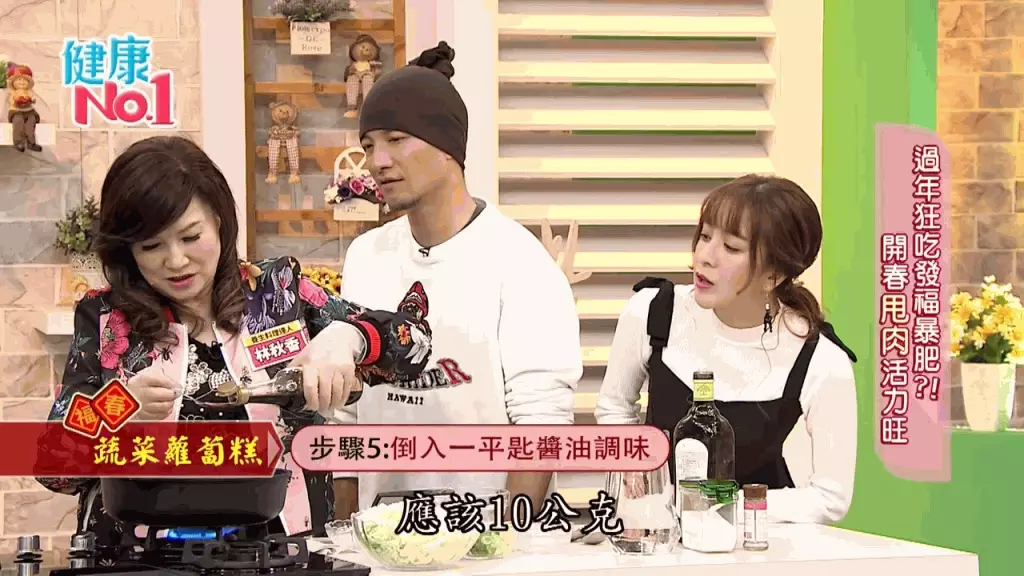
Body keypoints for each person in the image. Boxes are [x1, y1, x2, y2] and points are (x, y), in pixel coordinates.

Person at [36, 136, 431, 561]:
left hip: (281, 554)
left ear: (219, 221)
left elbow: (415, 343)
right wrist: (117, 409)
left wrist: (348, 338)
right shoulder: (105, 319)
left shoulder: (278, 293)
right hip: (140, 557)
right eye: (151, 246)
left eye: (191, 236)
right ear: (128, 250)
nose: (176, 261)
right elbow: (52, 467)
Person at [332, 42, 583, 514]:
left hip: (484, 530)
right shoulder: (366, 256)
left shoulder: (520, 261)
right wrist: (345, 537)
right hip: (380, 535)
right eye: (368, 146)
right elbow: (345, 416)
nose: (377, 161)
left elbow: (541, 422)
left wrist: (504, 536)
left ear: (446, 146)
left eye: (395, 139)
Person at [594, 174, 858, 524]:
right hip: (658, 531)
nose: (704, 256)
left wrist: (717, 504)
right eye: (705, 236)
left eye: (731, 248)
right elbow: (614, 406)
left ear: (774, 275)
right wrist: (631, 465)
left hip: (759, 539)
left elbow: (831, 498)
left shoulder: (821, 360)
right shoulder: (652, 312)